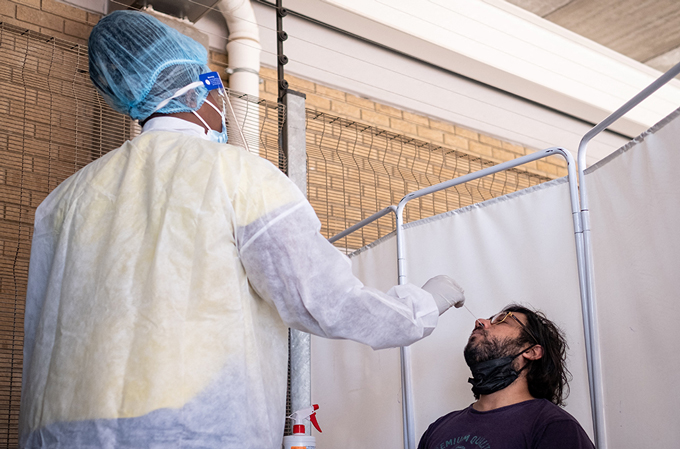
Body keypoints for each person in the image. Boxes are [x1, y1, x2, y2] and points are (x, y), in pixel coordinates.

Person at [18, 10, 465, 449]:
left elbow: (42, 329)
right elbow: (323, 300)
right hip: (191, 429)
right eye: (214, 83)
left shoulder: (63, 201)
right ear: (199, 92)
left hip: (60, 431)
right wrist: (422, 306)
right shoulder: (239, 175)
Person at [418, 304, 595, 449]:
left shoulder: (554, 427)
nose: (480, 322)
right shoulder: (439, 428)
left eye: (502, 321)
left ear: (532, 351)